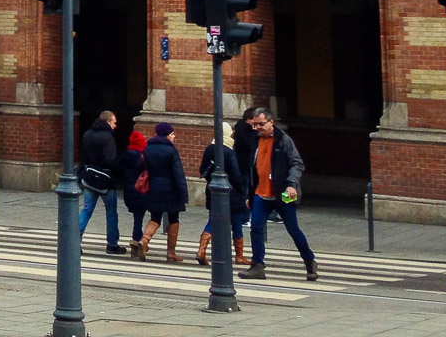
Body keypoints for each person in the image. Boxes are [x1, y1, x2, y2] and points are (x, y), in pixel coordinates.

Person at [239, 106, 318, 281]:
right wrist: (249, 195)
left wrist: (291, 185)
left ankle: (309, 261)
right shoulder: (255, 140)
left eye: (261, 124)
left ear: (271, 122)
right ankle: (257, 265)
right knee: (256, 227)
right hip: (260, 193)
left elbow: (297, 164)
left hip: (282, 193)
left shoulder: (284, 140)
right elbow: (251, 169)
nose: (257, 128)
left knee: (293, 229)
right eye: (255, 124)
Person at [196, 120, 250, 267]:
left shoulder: (209, 148)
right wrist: (242, 190)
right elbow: (235, 174)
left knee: (213, 220)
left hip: (212, 189)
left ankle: (202, 250)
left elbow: (202, 170)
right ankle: (239, 256)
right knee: (237, 222)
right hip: (231, 193)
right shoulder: (228, 150)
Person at [136, 121, 188, 261]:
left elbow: (139, 166)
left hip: (153, 187)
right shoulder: (171, 150)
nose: (174, 136)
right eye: (172, 134)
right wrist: (183, 193)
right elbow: (178, 173)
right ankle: (171, 252)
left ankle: (144, 241)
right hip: (171, 190)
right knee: (173, 218)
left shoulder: (147, 149)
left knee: (155, 217)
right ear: (166, 135)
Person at [78, 110, 124, 255]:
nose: (115, 126)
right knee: (111, 212)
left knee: (87, 209)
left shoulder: (87, 134)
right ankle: (112, 244)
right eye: (114, 122)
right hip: (105, 180)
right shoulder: (108, 137)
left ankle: (73, 240)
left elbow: (83, 157)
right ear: (108, 121)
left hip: (90, 177)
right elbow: (110, 160)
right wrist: (119, 172)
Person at [119, 129, 150, 258]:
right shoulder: (142, 156)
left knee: (137, 217)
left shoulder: (125, 155)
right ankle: (136, 243)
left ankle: (136, 243)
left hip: (128, 191)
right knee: (139, 218)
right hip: (140, 190)